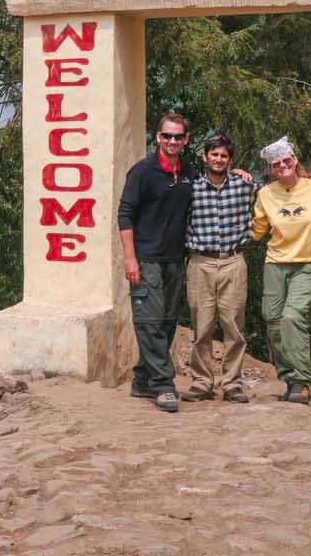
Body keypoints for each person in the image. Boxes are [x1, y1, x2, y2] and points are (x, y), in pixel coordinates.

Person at [118, 111, 202, 413]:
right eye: (167, 135)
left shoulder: (190, 174)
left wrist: (241, 174)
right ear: (158, 137)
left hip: (174, 260)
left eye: (178, 136)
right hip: (146, 258)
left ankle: (142, 379)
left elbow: (216, 185)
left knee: (166, 323)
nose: (172, 141)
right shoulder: (142, 172)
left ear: (185, 140)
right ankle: (164, 385)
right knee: (149, 322)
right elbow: (125, 215)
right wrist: (130, 259)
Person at [180, 132, 255, 404]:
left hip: (234, 261)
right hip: (200, 262)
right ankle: (202, 382)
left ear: (230, 160)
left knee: (233, 325)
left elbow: (282, 185)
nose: (219, 159)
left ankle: (232, 383)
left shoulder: (244, 185)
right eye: (214, 154)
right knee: (202, 325)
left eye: (224, 155)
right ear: (205, 157)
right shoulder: (193, 187)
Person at [251, 136, 311, 404]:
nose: (282, 166)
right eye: (275, 164)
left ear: (294, 160)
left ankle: (302, 382)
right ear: (271, 168)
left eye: (286, 160)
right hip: (275, 262)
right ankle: (290, 379)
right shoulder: (266, 194)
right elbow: (257, 231)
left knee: (291, 317)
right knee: (273, 319)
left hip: (306, 263)